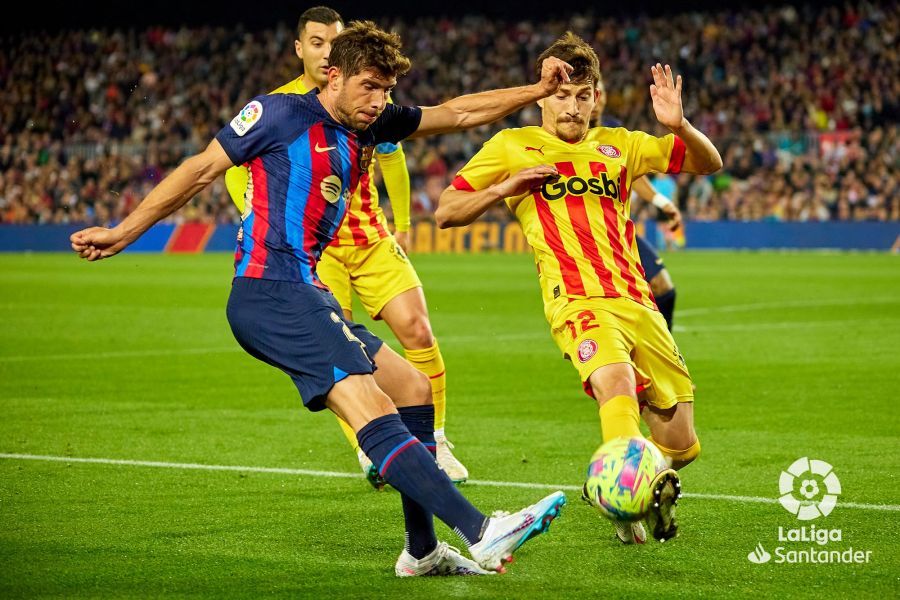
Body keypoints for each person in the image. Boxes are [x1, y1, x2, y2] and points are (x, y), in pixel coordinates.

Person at [71, 21, 572, 576]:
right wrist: (124, 231)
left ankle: (422, 550)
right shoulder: (277, 114)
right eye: (369, 88)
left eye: (386, 91)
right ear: (332, 76)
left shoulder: (371, 119)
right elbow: (198, 171)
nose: (379, 103)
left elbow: (457, 113)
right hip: (270, 291)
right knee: (372, 407)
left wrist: (539, 91)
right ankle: (481, 531)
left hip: (305, 290)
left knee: (411, 385)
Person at [436, 33, 721, 545]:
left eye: (582, 95)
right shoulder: (511, 146)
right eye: (561, 94)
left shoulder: (622, 144)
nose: (571, 106)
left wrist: (679, 125)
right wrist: (504, 188)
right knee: (613, 379)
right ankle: (624, 503)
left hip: (636, 300)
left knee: (681, 444)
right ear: (542, 94)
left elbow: (709, 164)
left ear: (595, 96)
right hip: (575, 301)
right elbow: (445, 211)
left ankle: (620, 480)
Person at [225, 7, 467, 489]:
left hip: (370, 237)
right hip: (315, 251)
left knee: (417, 328)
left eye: (332, 43)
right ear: (299, 48)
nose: (324, 51)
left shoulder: (366, 99)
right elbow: (232, 167)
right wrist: (254, 210)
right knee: (342, 352)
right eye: (315, 42)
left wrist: (401, 222)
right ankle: (368, 448)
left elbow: (394, 157)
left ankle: (435, 440)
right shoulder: (279, 107)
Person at [591, 76, 681, 330]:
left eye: (600, 92)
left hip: (618, 229)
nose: (595, 100)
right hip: (586, 234)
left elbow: (633, 174)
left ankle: (663, 354)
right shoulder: (565, 136)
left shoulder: (614, 131)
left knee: (663, 288)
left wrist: (662, 202)